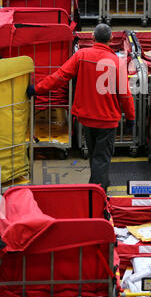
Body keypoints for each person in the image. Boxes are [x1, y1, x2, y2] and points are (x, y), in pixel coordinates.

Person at [27, 23, 135, 192]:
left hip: (86, 118)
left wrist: (37, 89)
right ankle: (96, 193)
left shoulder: (81, 55)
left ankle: (102, 183)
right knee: (102, 157)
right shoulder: (117, 62)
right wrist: (130, 117)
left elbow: (60, 76)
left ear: (92, 38)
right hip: (107, 120)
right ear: (111, 39)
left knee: (94, 156)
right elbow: (125, 95)